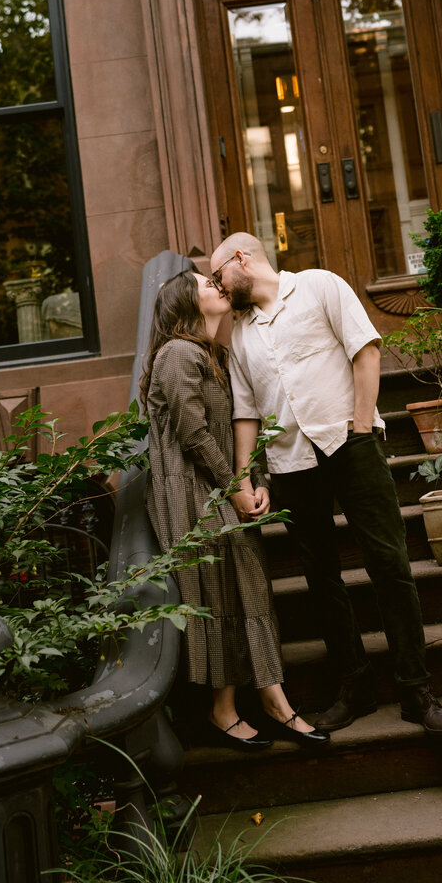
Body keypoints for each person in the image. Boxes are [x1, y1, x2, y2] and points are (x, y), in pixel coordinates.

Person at [208, 233, 442, 737]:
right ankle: (355, 685)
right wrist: (243, 476)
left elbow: (366, 350)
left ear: (242, 258)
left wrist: (362, 428)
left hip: (351, 444)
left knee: (389, 564)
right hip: (290, 464)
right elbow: (245, 412)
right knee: (321, 578)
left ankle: (416, 690)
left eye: (218, 276)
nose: (217, 288)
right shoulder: (239, 336)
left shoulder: (320, 286)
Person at [141, 263, 328, 752]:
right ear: (187, 302)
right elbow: (193, 432)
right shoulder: (177, 353)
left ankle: (269, 699)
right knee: (219, 595)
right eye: (206, 283)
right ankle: (229, 709)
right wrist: (235, 488)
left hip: (217, 488)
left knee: (246, 589)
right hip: (188, 494)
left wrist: (255, 481)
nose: (217, 284)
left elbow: (236, 428)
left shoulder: (212, 353)